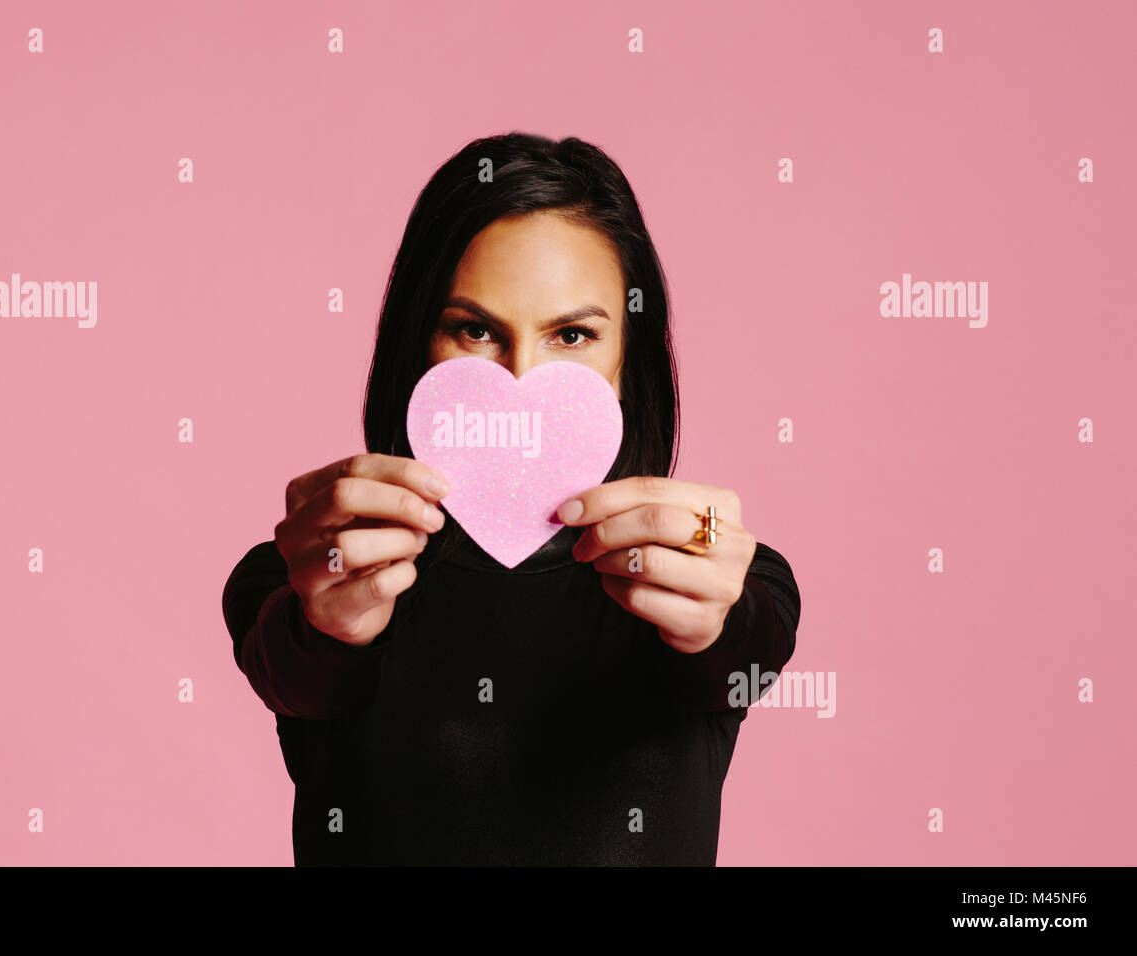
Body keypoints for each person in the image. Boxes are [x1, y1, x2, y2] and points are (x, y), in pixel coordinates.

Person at [221, 132, 801, 865]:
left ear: (630, 356)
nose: (523, 381)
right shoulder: (313, 574)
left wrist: (723, 611)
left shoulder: (704, 577)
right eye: (474, 330)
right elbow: (293, 668)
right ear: (417, 345)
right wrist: (323, 619)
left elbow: (743, 643)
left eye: (572, 334)